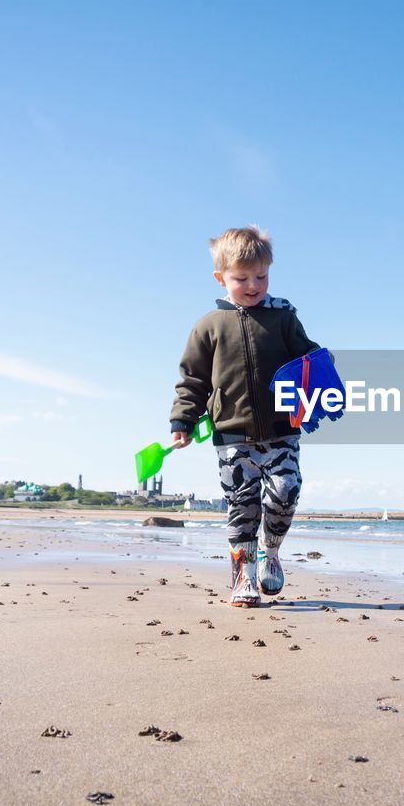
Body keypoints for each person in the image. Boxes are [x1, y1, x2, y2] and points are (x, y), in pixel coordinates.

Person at [168, 225, 322, 607]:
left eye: (261, 276)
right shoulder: (208, 327)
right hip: (232, 436)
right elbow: (192, 380)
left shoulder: (283, 318)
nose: (253, 285)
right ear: (221, 277)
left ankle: (271, 553)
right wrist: (182, 422)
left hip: (282, 430)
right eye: (242, 278)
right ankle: (243, 575)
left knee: (286, 493)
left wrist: (323, 364)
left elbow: (306, 358)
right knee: (242, 505)